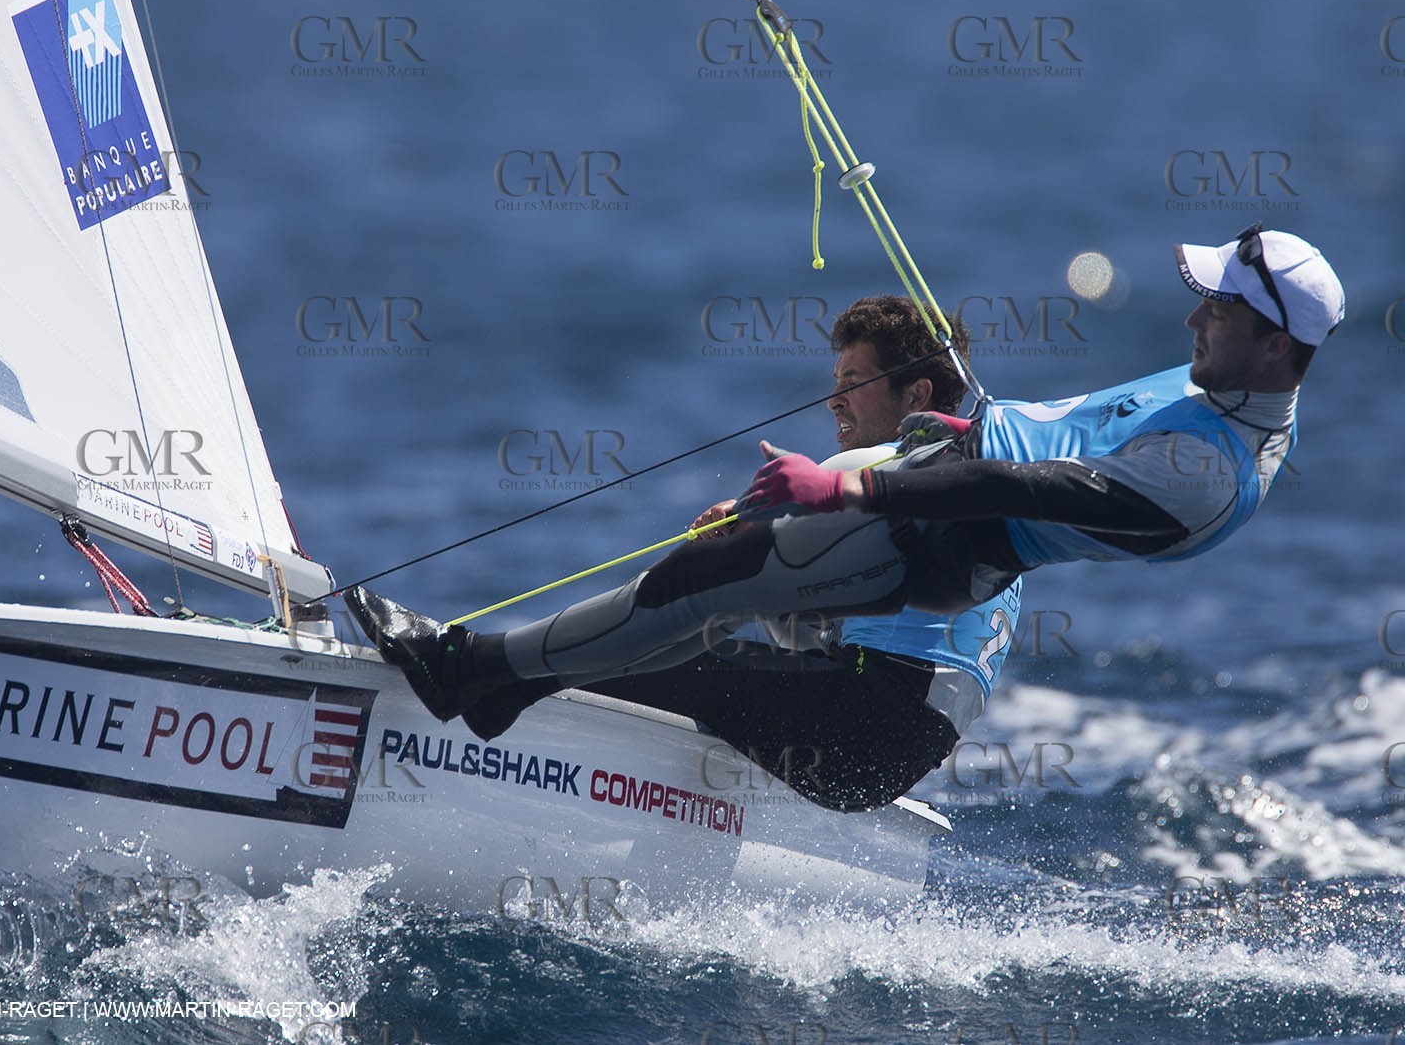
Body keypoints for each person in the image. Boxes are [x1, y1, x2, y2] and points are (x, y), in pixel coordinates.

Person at [349, 224, 1343, 761]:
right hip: (942, 505)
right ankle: (496, 677)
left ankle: (472, 674)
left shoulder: (1207, 478)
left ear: (1276, 344)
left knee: (721, 568)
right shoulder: (1222, 376)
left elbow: (1033, 481)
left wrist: (845, 489)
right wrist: (945, 427)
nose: (1192, 315)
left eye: (1218, 308)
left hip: (953, 548)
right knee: (725, 578)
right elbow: (1049, 425)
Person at [448, 296, 1023, 812]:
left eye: (853, 380)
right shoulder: (975, 493)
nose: (833, 400)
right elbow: (810, 633)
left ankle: (491, 683)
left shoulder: (875, 473)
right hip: (893, 754)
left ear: (916, 393)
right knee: (711, 636)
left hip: (861, 716)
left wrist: (748, 533)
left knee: (663, 645)